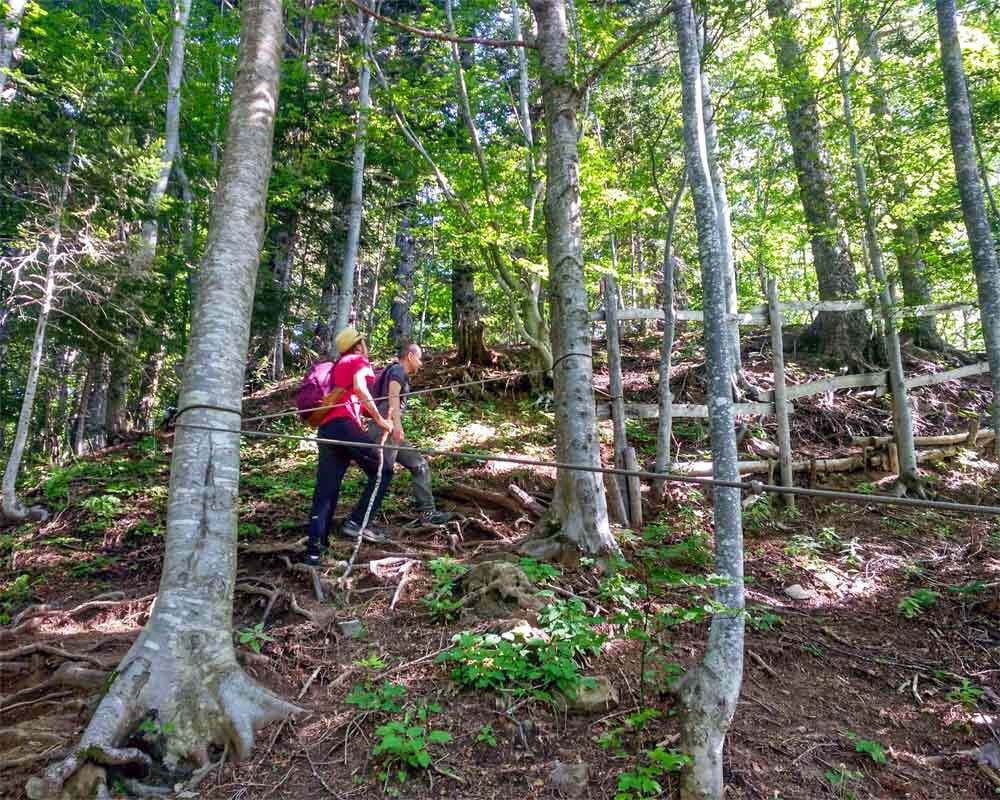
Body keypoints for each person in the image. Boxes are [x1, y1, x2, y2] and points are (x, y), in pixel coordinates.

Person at [305, 326, 394, 565]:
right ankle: (357, 522)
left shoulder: (337, 368)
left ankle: (314, 550)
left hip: (327, 430)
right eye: (363, 342)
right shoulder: (357, 359)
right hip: (343, 425)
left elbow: (355, 398)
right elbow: (360, 387)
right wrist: (379, 419)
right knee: (382, 469)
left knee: (326, 490)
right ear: (358, 345)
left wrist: (372, 416)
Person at [370, 342, 459, 526]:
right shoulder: (398, 370)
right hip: (385, 429)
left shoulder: (397, 372)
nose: (421, 363)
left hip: (387, 428)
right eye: (419, 358)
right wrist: (397, 425)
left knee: (420, 465)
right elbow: (392, 395)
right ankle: (362, 520)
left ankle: (427, 513)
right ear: (410, 356)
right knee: (382, 474)